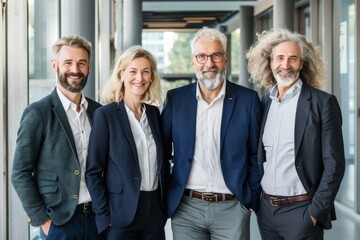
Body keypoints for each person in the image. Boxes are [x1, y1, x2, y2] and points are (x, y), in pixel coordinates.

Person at [161, 26, 262, 240]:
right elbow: (162, 153)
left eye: (215, 55)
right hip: (187, 208)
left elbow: (256, 154)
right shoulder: (175, 100)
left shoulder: (248, 100)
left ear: (225, 59)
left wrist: (249, 198)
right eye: (201, 56)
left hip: (232, 207)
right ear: (193, 61)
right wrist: (169, 194)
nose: (209, 63)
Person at [246, 28, 346, 240]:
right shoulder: (265, 103)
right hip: (266, 212)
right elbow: (259, 156)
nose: (285, 65)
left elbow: (334, 164)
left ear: (302, 63)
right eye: (279, 58)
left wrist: (315, 212)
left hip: (302, 211)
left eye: (293, 58)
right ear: (270, 62)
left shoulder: (322, 103)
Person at [11, 35, 102, 239]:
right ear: (55, 65)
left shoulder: (98, 112)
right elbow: (20, 172)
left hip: (97, 219)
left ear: (89, 66)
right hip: (60, 223)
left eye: (81, 63)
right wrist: (43, 221)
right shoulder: (38, 113)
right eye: (68, 62)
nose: (75, 69)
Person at [85, 45, 167, 240]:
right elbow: (93, 171)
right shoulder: (106, 115)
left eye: (145, 72)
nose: (139, 78)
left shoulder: (154, 114)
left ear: (152, 77)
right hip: (120, 214)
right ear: (121, 74)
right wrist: (104, 215)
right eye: (133, 71)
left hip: (155, 212)